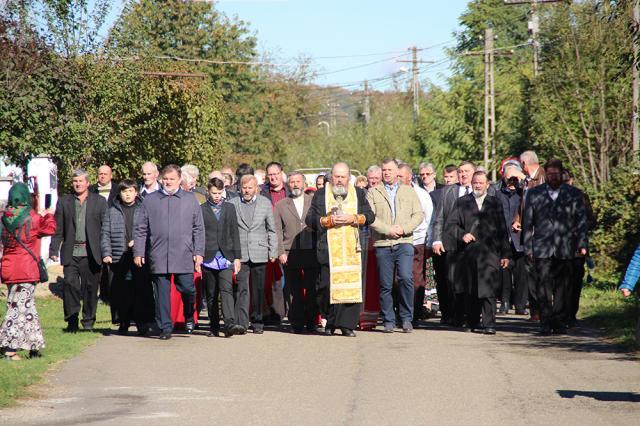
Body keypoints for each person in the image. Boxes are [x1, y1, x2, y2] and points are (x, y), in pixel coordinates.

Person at [134, 164, 205, 340]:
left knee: (188, 288)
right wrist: (139, 252)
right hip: (158, 254)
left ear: (179, 179)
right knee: (162, 294)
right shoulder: (150, 200)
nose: (168, 182)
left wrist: (198, 252)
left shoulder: (190, 199)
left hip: (183, 253)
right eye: (165, 179)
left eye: (172, 179)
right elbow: (141, 228)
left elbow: (199, 228)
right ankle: (165, 327)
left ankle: (189, 313)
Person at [307, 162, 375, 337]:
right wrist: (326, 221)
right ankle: (329, 320)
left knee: (349, 286)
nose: (339, 180)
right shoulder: (321, 194)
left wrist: (354, 218)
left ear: (348, 178)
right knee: (325, 287)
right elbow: (310, 219)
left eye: (343, 177)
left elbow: (370, 216)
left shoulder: (358, 193)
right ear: (331, 177)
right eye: (336, 176)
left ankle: (347, 325)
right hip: (328, 249)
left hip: (352, 249)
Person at [523, 159, 588, 335]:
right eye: (550, 174)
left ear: (561, 174)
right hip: (542, 246)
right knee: (542, 284)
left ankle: (559, 320)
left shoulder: (573, 194)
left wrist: (582, 243)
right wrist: (527, 246)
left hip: (565, 246)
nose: (553, 177)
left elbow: (581, 221)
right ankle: (545, 321)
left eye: (556, 174)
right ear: (546, 174)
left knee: (562, 285)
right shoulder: (534, 193)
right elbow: (527, 222)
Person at [367, 159, 424, 333]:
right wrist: (388, 229)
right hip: (383, 243)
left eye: (390, 170)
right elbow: (370, 217)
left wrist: (404, 228)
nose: (386, 173)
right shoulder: (373, 192)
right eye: (384, 170)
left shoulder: (409, 191)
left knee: (406, 278)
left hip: (404, 242)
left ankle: (407, 318)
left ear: (396, 172)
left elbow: (418, 214)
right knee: (386, 284)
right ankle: (388, 320)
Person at [0, 183, 55, 360]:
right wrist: (49, 215)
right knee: (17, 309)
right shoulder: (32, 217)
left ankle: (33, 347)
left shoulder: (4, 217)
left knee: (27, 307)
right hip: (26, 269)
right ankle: (8, 349)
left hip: (9, 268)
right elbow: (50, 229)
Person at [451, 171, 511, 334]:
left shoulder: (495, 203)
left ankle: (489, 323)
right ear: (471, 183)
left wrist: (506, 254)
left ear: (487, 185)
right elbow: (452, 225)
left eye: (481, 182)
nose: (477, 185)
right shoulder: (461, 202)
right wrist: (462, 234)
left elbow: (502, 229)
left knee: (488, 288)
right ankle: (472, 321)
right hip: (469, 253)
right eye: (475, 182)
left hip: (490, 251)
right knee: (471, 288)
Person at [50, 169, 107, 332]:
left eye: (81, 181)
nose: (78, 184)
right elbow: (58, 228)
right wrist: (54, 249)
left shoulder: (99, 201)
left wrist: (106, 252)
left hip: (92, 253)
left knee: (90, 288)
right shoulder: (64, 202)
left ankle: (88, 321)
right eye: (75, 181)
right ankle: (72, 320)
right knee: (70, 285)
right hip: (71, 253)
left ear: (88, 183)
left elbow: (105, 229)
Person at [100, 180, 155, 336]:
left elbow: (150, 231)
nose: (128, 194)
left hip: (139, 256)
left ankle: (141, 323)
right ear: (120, 193)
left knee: (140, 291)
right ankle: (123, 321)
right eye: (124, 191)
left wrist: (137, 243)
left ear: (136, 192)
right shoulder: (112, 210)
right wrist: (106, 253)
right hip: (118, 256)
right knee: (121, 292)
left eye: (130, 191)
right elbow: (105, 233)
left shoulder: (144, 208)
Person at [228, 174, 278, 334]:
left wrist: (273, 250)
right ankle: (241, 322)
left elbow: (272, 229)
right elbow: (228, 230)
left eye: (250, 188)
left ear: (256, 188)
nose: (247, 191)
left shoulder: (265, 203)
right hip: (240, 253)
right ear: (239, 188)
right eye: (244, 188)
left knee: (258, 288)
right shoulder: (232, 204)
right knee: (241, 288)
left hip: (260, 251)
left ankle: (257, 321)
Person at [431, 161, 476, 327]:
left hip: (474, 245)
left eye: (467, 171)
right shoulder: (448, 191)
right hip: (452, 243)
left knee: (471, 281)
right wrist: (436, 239)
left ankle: (470, 315)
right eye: (461, 171)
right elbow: (439, 217)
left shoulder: (481, 190)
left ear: (474, 173)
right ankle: (455, 316)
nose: (463, 174)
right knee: (452, 280)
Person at [274, 171, 319, 333]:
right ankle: (297, 322)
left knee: (312, 289)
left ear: (304, 183)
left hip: (311, 250)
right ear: (288, 185)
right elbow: (277, 231)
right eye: (292, 182)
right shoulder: (280, 205)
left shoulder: (313, 201)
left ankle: (312, 321)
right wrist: (280, 252)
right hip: (290, 252)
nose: (295, 184)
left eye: (298, 181)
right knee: (294, 291)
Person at [201, 177, 242, 338]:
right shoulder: (202, 209)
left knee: (227, 289)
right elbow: (198, 233)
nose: (217, 196)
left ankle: (230, 323)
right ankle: (214, 325)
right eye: (214, 193)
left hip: (226, 256)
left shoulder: (229, 208)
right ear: (208, 192)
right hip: (208, 256)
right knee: (211, 294)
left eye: (219, 193)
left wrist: (237, 257)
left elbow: (235, 232)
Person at [398, 163, 435, 323]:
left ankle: (415, 313)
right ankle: (400, 312)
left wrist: (429, 243)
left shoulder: (421, 194)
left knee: (416, 278)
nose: (397, 179)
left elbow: (430, 219)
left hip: (417, 241)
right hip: (396, 240)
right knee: (397, 279)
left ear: (409, 176)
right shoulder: (392, 193)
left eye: (400, 176)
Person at [494, 164, 529, 315]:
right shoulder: (497, 194)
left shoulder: (523, 193)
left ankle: (520, 305)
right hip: (503, 238)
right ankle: (505, 301)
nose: (512, 182)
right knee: (504, 272)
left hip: (520, 238)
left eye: (514, 179)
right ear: (503, 177)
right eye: (509, 179)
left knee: (521, 273)